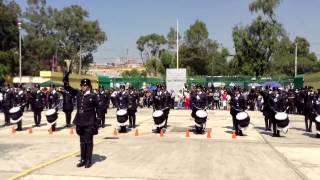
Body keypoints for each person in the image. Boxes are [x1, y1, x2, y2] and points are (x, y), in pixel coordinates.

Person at [63, 72, 99, 168]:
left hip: (89, 121)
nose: (82, 87)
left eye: (84, 85)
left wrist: (97, 121)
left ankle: (88, 160)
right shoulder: (79, 94)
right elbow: (68, 88)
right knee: (82, 141)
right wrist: (66, 78)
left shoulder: (93, 96)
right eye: (82, 85)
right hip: (80, 121)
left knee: (88, 141)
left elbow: (98, 108)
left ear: (89, 86)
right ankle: (83, 159)